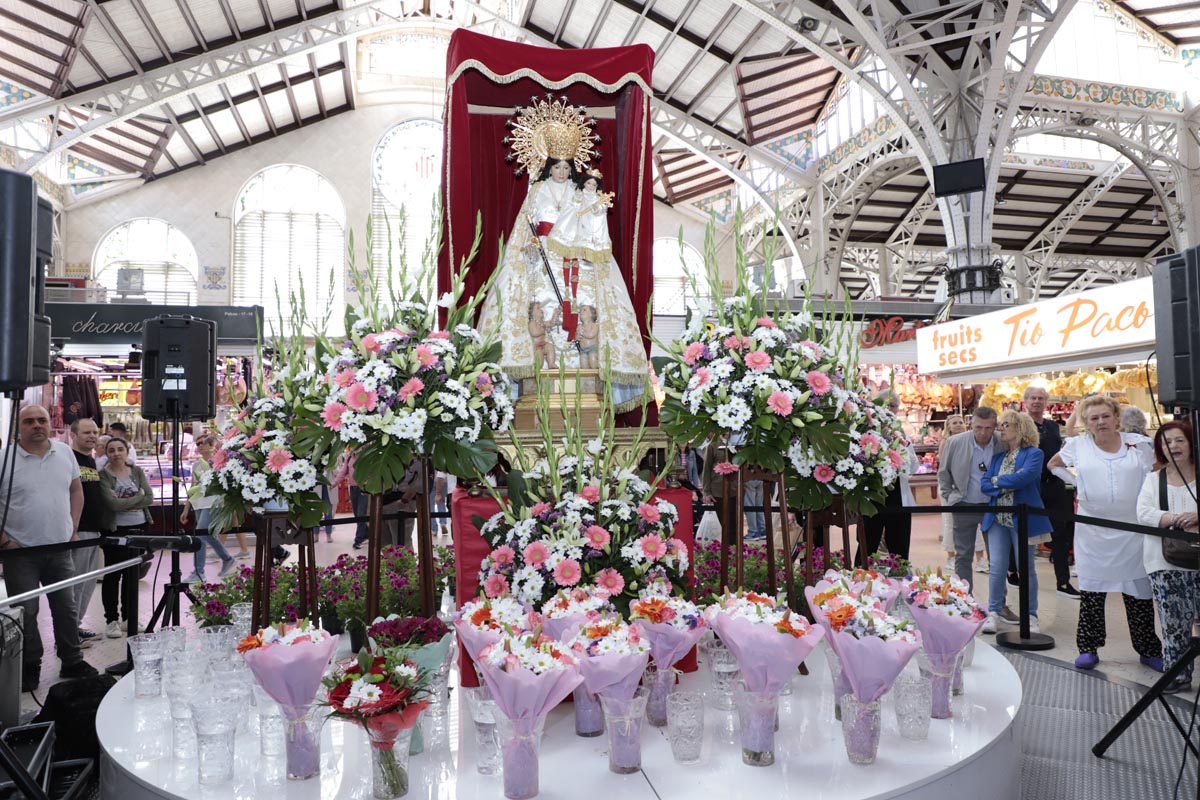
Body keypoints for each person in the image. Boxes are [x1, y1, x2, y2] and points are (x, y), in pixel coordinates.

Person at [476, 125, 648, 414]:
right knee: (539, 307)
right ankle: (539, 369)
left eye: (567, 168)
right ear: (549, 167)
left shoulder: (580, 192)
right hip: (543, 259)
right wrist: (530, 246)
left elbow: (591, 222)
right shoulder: (538, 190)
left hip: (575, 259)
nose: (562, 172)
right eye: (557, 167)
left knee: (585, 306)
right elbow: (524, 226)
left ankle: (586, 372)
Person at [1047, 395, 1162, 671]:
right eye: (1094, 418)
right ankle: (1088, 647)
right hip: (1094, 531)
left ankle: (1148, 648)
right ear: (1086, 422)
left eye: (1105, 416)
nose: (1100, 422)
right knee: (1092, 592)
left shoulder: (1140, 445)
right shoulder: (1079, 446)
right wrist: (1077, 485)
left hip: (1132, 530)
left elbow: (1159, 469)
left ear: (1116, 418)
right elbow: (1053, 465)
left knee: (1138, 591)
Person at [0, 405, 98, 690]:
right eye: (29, 421)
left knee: (66, 608)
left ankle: (72, 660)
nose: (37, 425)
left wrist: (73, 527)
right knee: (26, 611)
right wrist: (5, 540)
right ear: (18, 427)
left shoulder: (64, 452)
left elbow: (75, 489)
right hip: (21, 553)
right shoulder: (5, 459)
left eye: (42, 420)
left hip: (60, 548)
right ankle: (30, 665)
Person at [1135, 421, 1200, 694]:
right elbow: (1143, 513)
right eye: (1166, 443)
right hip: (1164, 561)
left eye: (1179, 440)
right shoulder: (1154, 479)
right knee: (1174, 623)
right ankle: (1178, 674)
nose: (1173, 447)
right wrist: (1176, 518)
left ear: (1190, 442)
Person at [980, 410, 1054, 634]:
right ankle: (993, 611)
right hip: (997, 519)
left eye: (1006, 425)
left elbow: (1027, 477)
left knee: (1026, 568)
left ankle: (1030, 614)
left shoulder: (1034, 454)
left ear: (1020, 428)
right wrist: (1005, 482)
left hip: (1023, 518)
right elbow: (984, 485)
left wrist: (997, 482)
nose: (1001, 429)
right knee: (997, 567)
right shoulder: (997, 458)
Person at [938, 406, 1011, 613]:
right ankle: (964, 601)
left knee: (997, 557)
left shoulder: (1002, 442)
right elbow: (944, 473)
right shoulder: (955, 442)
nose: (983, 433)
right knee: (963, 556)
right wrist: (951, 498)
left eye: (988, 428)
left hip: (993, 506)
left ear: (995, 426)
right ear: (971, 425)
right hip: (964, 504)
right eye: (978, 427)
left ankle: (1000, 604)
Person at [1023, 386, 1079, 599]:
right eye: (1033, 398)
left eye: (1040, 398)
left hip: (1055, 485)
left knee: (1061, 534)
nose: (1037, 401)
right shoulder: (1021, 425)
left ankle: (1063, 582)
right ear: (1026, 401)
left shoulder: (1053, 426)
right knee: (1024, 532)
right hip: (1031, 486)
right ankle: (1015, 571)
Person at [98, 438, 153, 639]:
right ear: (106, 453)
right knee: (113, 575)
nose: (116, 454)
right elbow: (112, 505)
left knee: (132, 575)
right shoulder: (103, 475)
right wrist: (137, 497)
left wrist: (127, 501)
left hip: (138, 529)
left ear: (127, 451)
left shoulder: (136, 472)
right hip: (115, 530)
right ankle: (111, 620)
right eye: (111, 450)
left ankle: (129, 618)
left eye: (120, 449)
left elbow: (150, 497)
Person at [863, 392, 919, 560]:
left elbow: (913, 466)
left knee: (899, 548)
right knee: (868, 546)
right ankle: (862, 580)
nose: (888, 410)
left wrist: (903, 442)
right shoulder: (865, 430)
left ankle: (900, 578)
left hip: (898, 497)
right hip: (871, 496)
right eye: (884, 405)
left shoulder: (901, 432)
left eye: (892, 406)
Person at [180, 434, 237, 584]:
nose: (200, 446)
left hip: (213, 503)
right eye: (198, 443)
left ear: (212, 446)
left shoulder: (219, 463)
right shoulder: (196, 465)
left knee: (200, 535)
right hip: (199, 503)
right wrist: (186, 508)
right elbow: (193, 488)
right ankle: (227, 558)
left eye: (203, 443)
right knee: (206, 535)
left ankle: (199, 572)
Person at [68, 419, 105, 647]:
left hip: (94, 530)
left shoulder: (91, 461)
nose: (92, 436)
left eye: (95, 432)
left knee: (88, 581)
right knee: (75, 583)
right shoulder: (68, 459)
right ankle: (68, 632)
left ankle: (76, 626)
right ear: (73, 435)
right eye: (86, 432)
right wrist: (71, 529)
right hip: (78, 531)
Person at [938, 415, 986, 573]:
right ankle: (951, 556)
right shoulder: (947, 442)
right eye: (954, 423)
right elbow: (943, 468)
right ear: (948, 426)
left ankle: (980, 558)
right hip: (951, 487)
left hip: (968, 487)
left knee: (975, 522)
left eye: (960, 422)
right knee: (950, 522)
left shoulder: (970, 441)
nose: (958, 425)